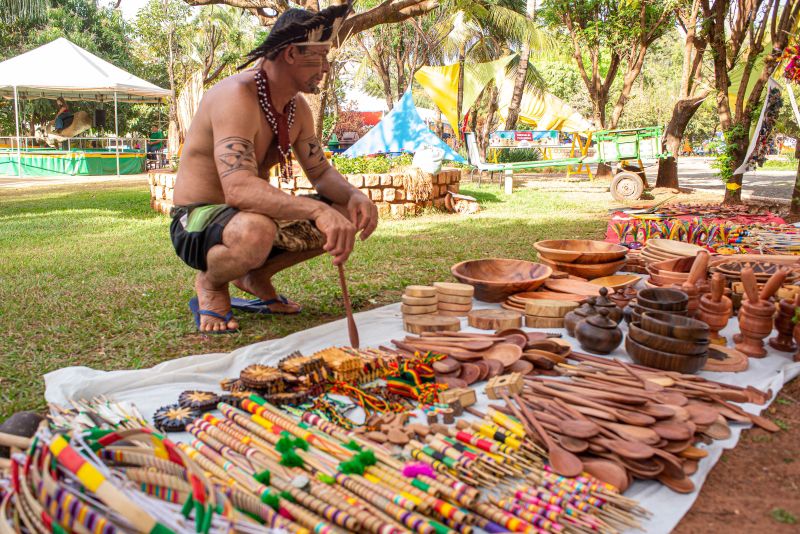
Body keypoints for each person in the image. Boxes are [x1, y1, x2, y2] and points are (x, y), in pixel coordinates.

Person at [170, 2, 378, 334]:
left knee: (345, 211)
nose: (325, 67)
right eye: (319, 56)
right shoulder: (236, 97)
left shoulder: (297, 109)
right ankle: (210, 284)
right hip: (196, 221)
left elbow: (321, 173)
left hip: (248, 216)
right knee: (256, 230)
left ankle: (255, 276)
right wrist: (316, 212)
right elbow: (237, 189)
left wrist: (355, 197)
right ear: (291, 54)